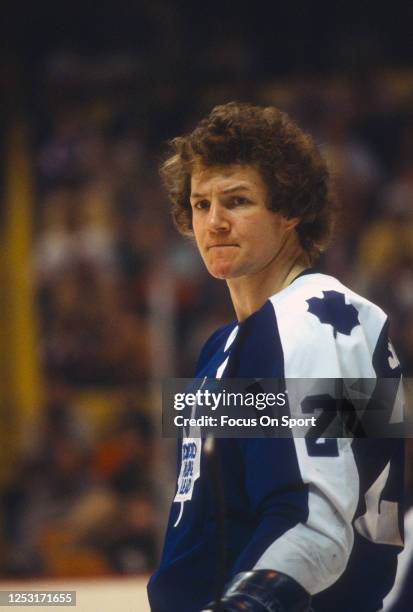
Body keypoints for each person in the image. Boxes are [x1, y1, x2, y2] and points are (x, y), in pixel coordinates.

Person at [147, 102, 404, 612]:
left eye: (237, 201)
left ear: (289, 210)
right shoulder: (221, 347)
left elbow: (316, 525)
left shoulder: (313, 319)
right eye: (201, 205)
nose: (214, 222)